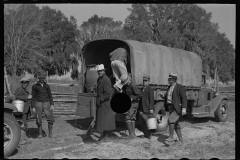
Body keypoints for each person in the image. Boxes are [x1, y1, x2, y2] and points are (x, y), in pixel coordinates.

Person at [159, 73, 187, 144]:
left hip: (177, 108)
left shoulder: (180, 87)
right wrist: (163, 97)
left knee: (171, 120)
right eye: (168, 79)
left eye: (170, 79)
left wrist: (184, 108)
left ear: (174, 79)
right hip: (170, 107)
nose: (168, 80)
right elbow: (169, 97)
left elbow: (184, 98)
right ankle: (181, 141)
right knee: (176, 124)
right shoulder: (169, 87)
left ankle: (171, 137)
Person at [95, 64, 116, 142]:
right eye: (98, 71)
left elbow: (107, 93)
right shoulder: (99, 79)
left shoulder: (106, 79)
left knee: (105, 120)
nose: (99, 72)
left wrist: (100, 99)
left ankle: (105, 136)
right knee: (102, 121)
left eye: (101, 71)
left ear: (104, 71)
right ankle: (104, 136)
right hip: (102, 103)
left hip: (105, 103)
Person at [31, 73, 55, 138]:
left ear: (44, 79)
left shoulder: (47, 86)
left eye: (43, 78)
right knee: (38, 118)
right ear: (38, 78)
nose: (42, 79)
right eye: (40, 78)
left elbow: (50, 95)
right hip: (38, 102)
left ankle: (50, 134)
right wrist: (33, 106)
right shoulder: (35, 86)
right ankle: (40, 134)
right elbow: (33, 97)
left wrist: (52, 104)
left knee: (50, 118)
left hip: (46, 102)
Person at [122, 74, 142, 138]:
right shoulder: (127, 86)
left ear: (128, 80)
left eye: (125, 82)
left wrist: (132, 98)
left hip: (133, 103)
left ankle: (131, 135)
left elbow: (140, 95)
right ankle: (133, 135)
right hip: (131, 103)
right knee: (132, 118)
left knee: (128, 117)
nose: (125, 84)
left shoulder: (133, 86)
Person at [14, 77, 32, 145]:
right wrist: (27, 97)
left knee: (24, 123)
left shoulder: (25, 90)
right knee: (23, 123)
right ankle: (21, 140)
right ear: (22, 83)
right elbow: (17, 96)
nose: (26, 84)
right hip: (22, 109)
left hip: (25, 109)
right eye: (25, 82)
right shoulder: (19, 89)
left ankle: (23, 138)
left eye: (27, 83)